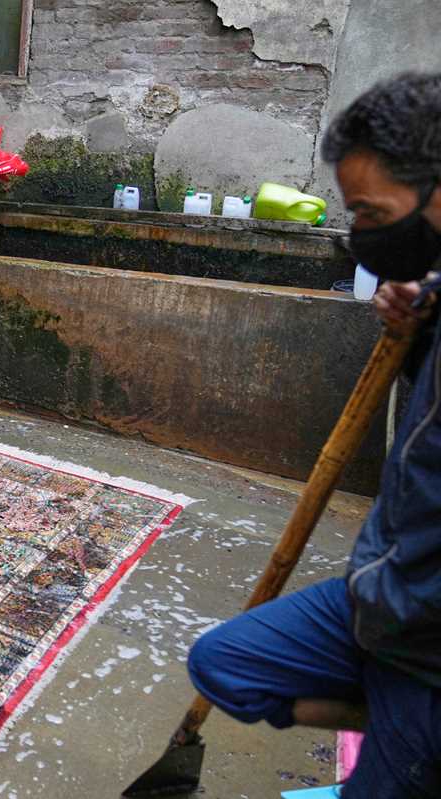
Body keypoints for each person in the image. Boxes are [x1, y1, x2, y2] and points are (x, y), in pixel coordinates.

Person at [187, 72, 441, 797]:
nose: (364, 234)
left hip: (426, 642)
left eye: (372, 212)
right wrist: (418, 325)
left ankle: (408, 736)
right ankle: (383, 717)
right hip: (379, 595)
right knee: (221, 662)